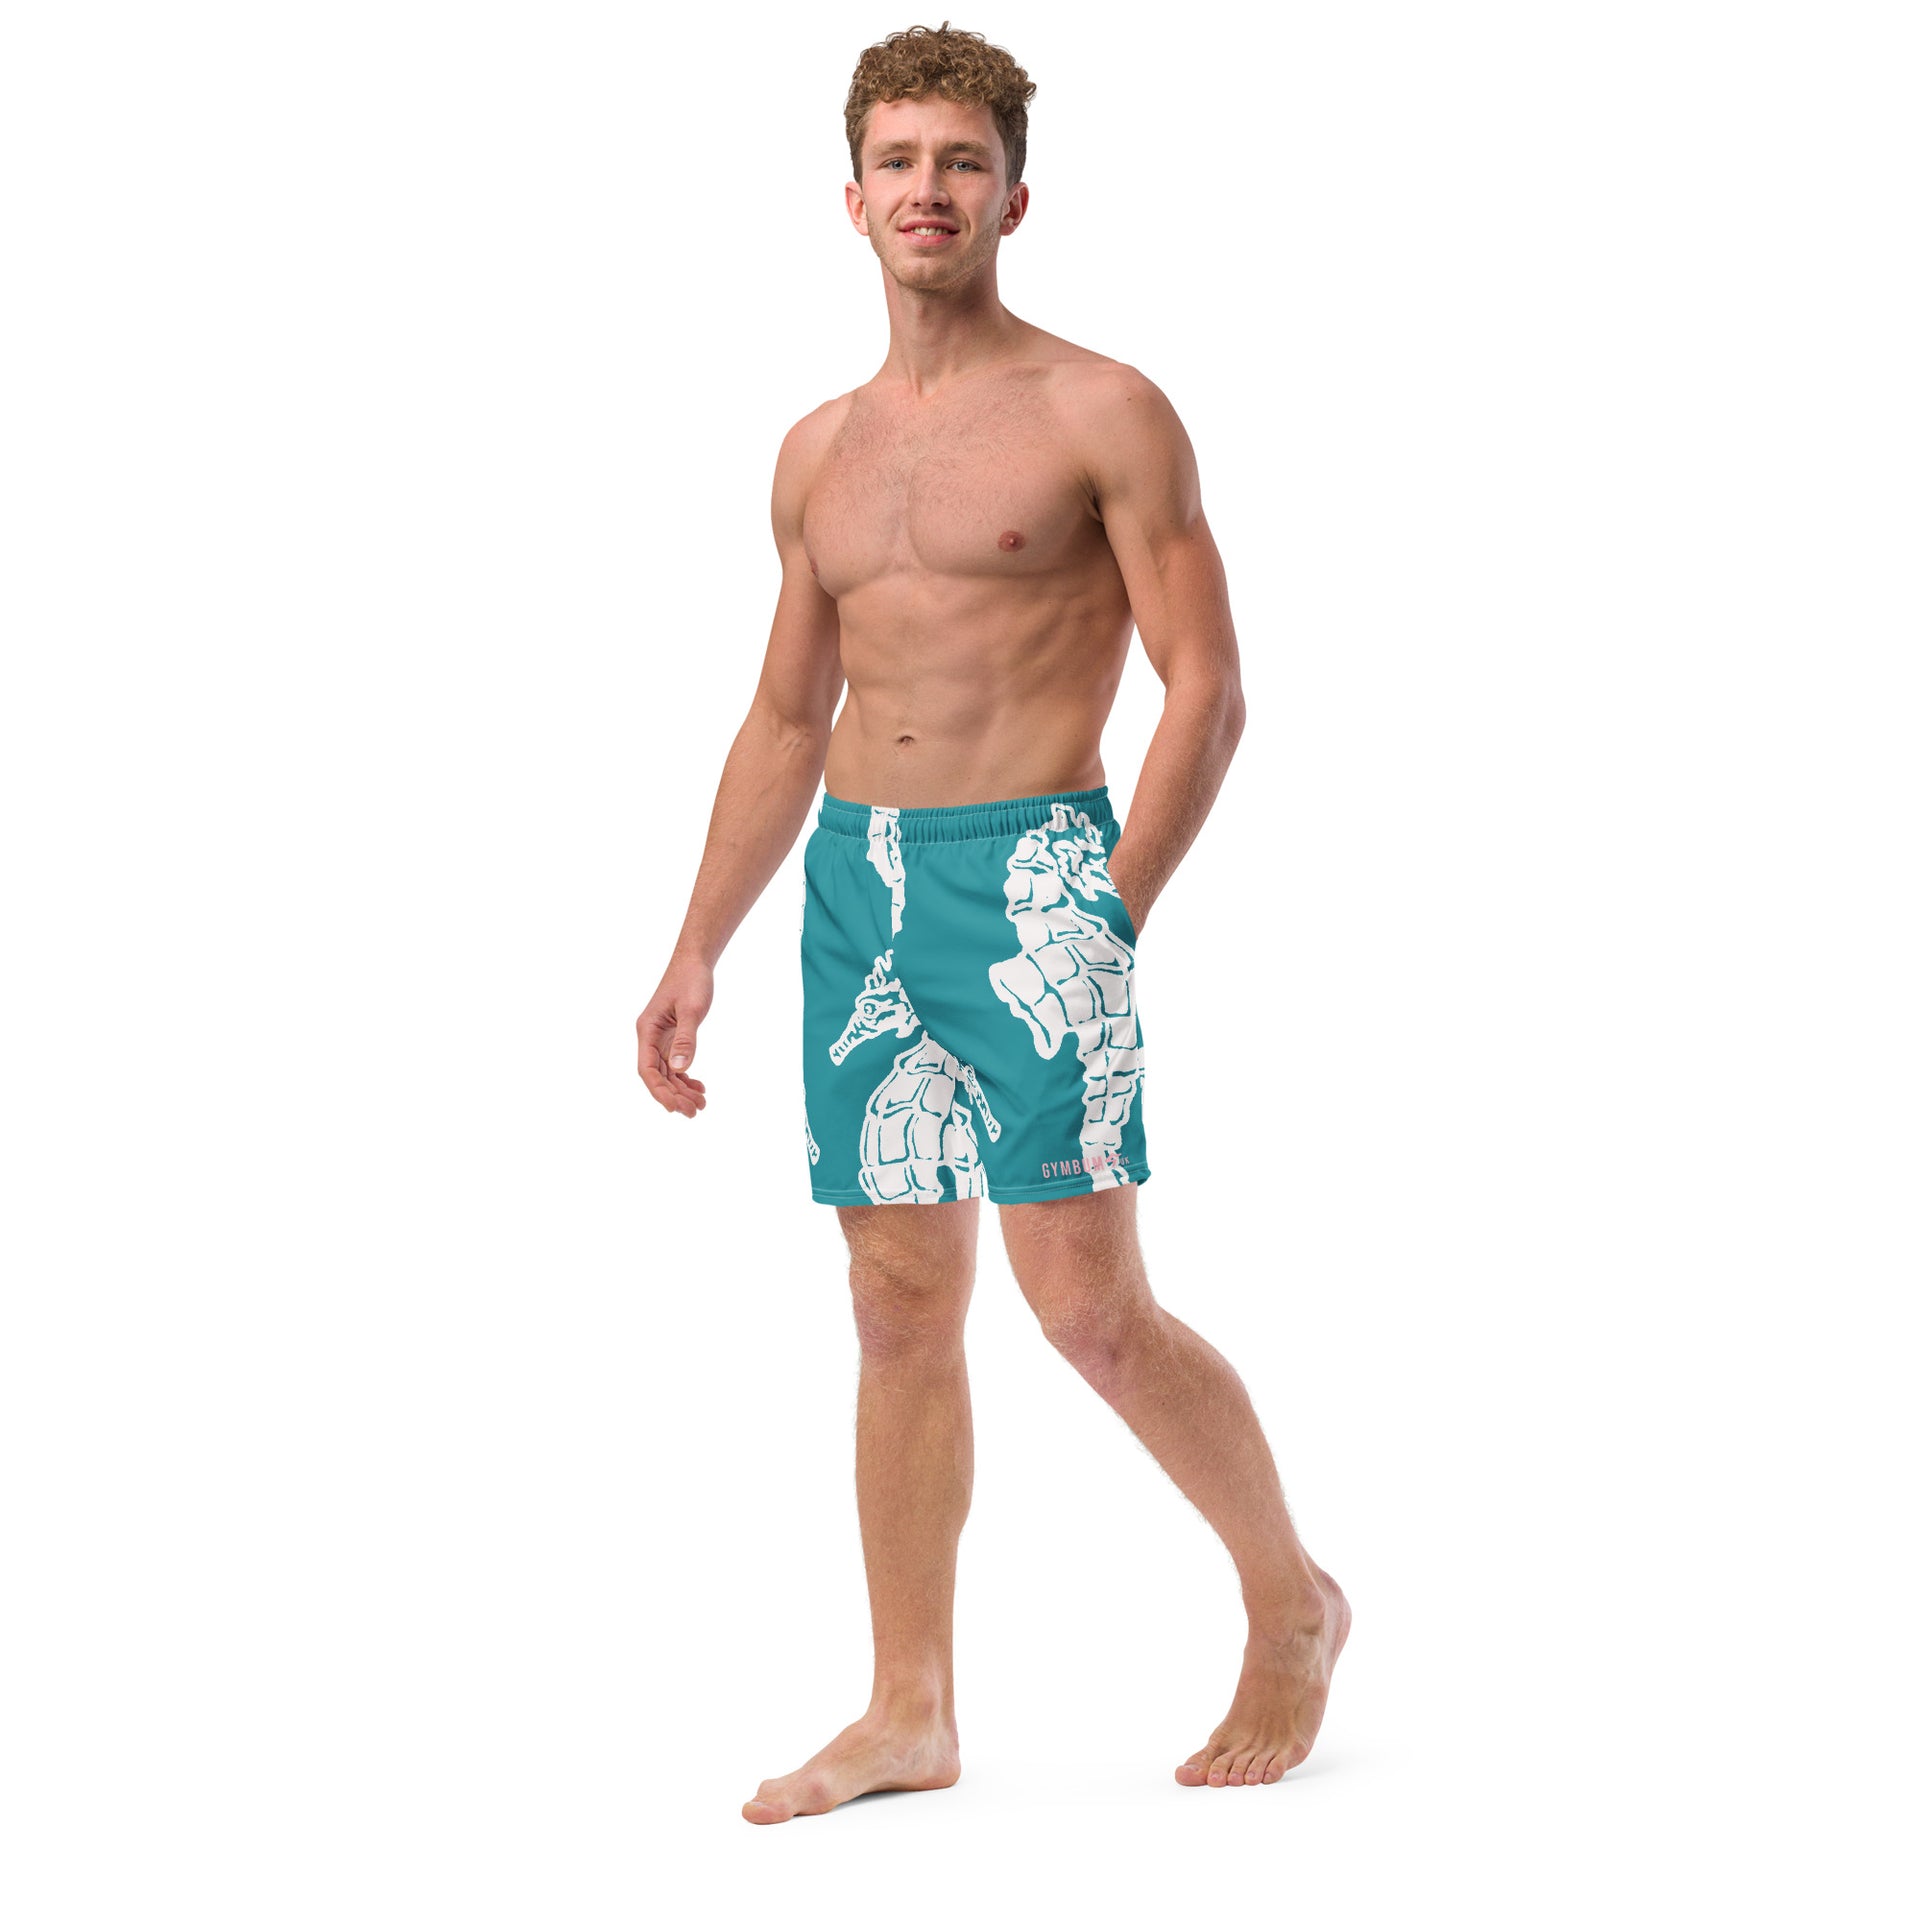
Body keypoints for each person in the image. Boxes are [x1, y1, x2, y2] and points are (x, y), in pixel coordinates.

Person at [636, 23, 1350, 1826]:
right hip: (857, 891)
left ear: (1015, 196)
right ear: (850, 198)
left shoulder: (1104, 411)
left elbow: (1208, 689)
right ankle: (910, 1708)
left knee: (1089, 1309)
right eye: (899, 161)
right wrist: (699, 940)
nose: (930, 190)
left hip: (1037, 872)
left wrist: (1109, 912)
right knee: (894, 1304)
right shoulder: (815, 453)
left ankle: (1292, 1602)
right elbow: (784, 717)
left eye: (962, 161)